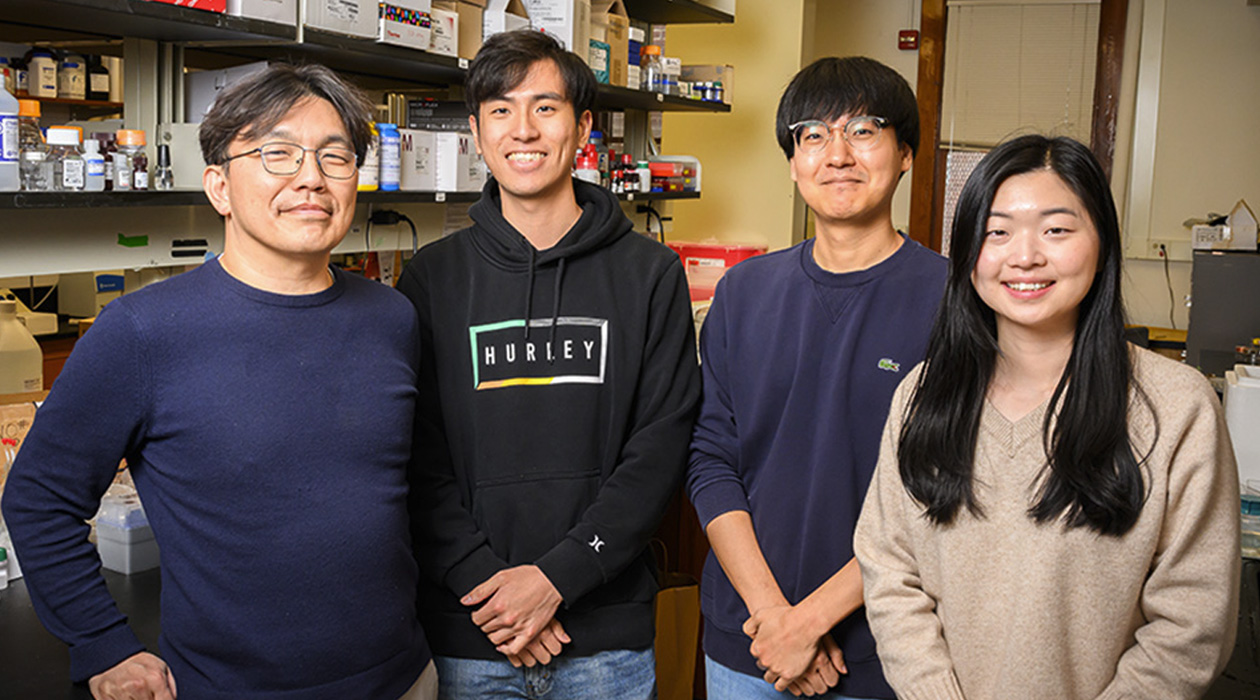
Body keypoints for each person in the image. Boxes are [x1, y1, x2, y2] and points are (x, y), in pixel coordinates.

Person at [1, 63, 436, 700]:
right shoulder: (142, 331)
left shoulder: (392, 317)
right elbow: (39, 499)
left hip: (404, 679)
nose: (310, 177)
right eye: (277, 153)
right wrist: (102, 646)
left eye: (334, 156)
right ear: (220, 187)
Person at [854, 134, 1240, 700]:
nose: (1025, 255)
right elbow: (890, 571)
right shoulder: (923, 395)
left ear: (1101, 242)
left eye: (1056, 230)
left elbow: (1192, 623)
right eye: (997, 231)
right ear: (968, 253)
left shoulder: (1176, 408)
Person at [395, 29, 700, 700]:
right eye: (500, 110)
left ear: (583, 124)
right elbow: (417, 456)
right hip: (471, 637)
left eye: (545, 106)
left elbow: (660, 448)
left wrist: (559, 577)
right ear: (476, 131)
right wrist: (494, 591)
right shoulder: (431, 279)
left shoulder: (650, 275)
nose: (522, 130)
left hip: (606, 645)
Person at [686, 56, 947, 699]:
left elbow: (945, 492)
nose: (837, 154)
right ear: (793, 160)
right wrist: (776, 619)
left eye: (862, 130)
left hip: (887, 650)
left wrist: (812, 622)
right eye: (813, 135)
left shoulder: (953, 301)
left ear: (905, 152)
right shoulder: (743, 292)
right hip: (748, 641)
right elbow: (711, 460)